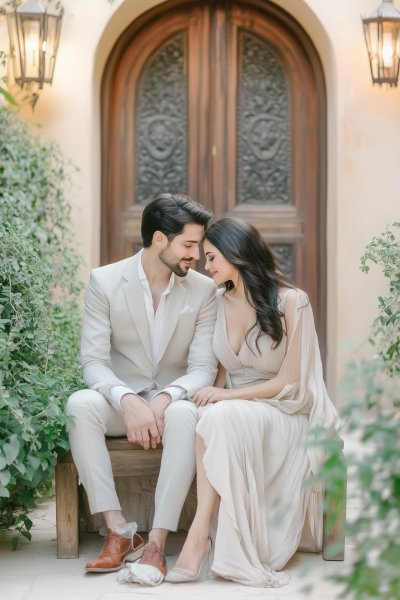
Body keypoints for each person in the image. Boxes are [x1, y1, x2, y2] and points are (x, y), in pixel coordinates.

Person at [166, 218, 340, 587]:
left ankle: (200, 538)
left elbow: (290, 381)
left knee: (221, 413)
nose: (205, 264)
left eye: (211, 256)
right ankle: (201, 535)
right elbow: (217, 374)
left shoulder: (293, 301)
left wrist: (226, 396)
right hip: (236, 410)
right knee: (207, 417)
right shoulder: (216, 300)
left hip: (285, 411)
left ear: (236, 255)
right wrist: (206, 399)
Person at [66, 194, 218, 585]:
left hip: (174, 402)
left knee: (185, 413)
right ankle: (119, 531)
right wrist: (127, 398)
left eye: (199, 245)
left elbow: (203, 367)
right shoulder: (105, 280)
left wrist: (167, 397)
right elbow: (93, 362)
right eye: (189, 244)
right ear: (159, 240)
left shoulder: (203, 291)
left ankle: (156, 543)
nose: (197, 255)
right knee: (79, 404)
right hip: (123, 400)